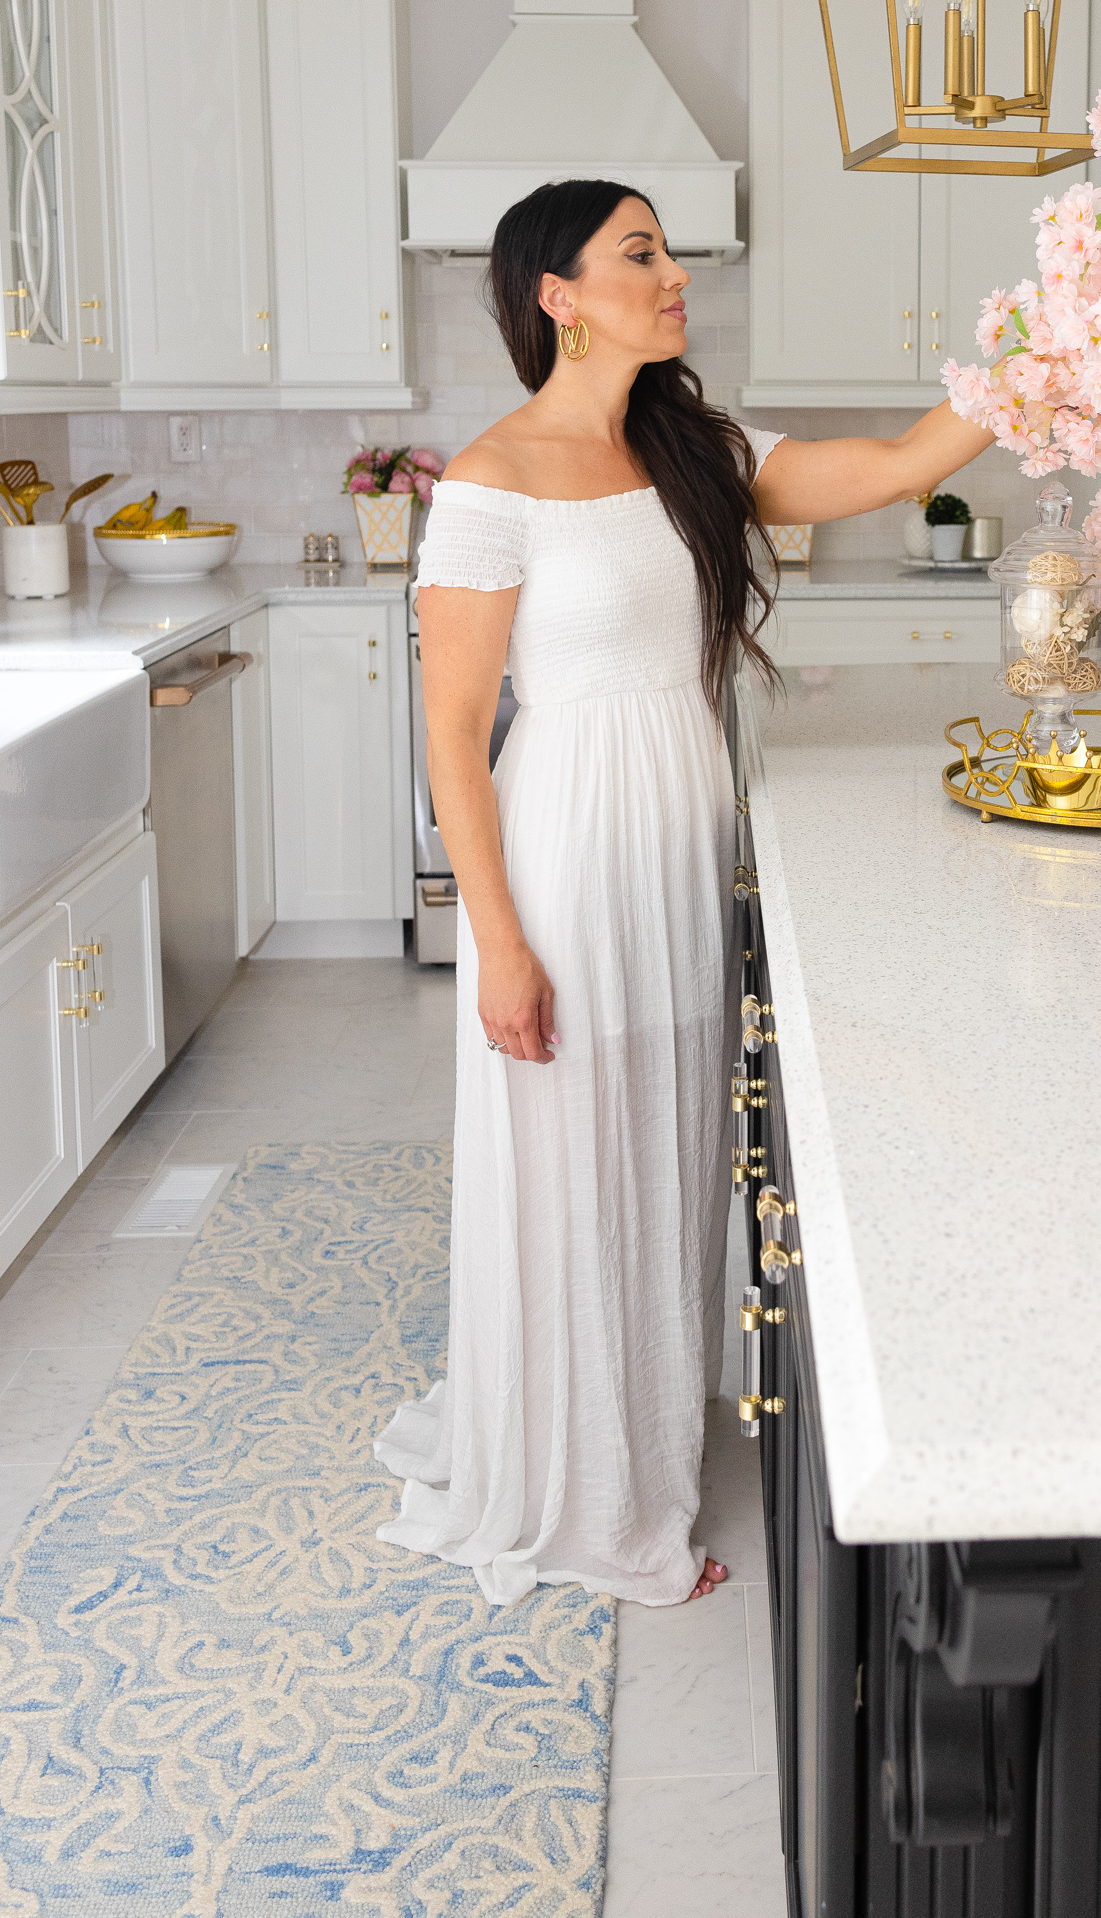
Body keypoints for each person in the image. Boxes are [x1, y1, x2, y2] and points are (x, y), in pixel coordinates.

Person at [375, 178, 995, 1606]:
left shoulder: (694, 450)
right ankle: (590, 1502)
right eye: (639, 255)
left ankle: (646, 1437)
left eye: (671, 252)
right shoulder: (490, 479)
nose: (675, 277)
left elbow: (904, 463)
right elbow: (453, 743)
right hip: (565, 848)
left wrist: (1058, 349)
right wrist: (502, 946)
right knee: (578, 1148)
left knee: (664, 1135)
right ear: (558, 294)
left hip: (674, 832)